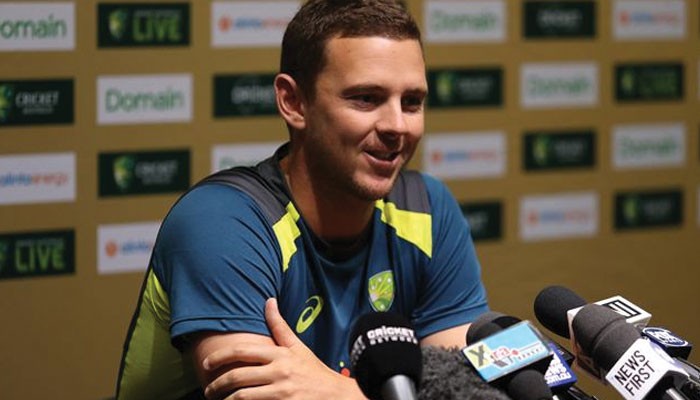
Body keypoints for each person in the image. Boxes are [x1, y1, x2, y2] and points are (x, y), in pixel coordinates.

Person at [115, 0, 489, 399]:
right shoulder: (220, 221)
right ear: (293, 102)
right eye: (366, 98)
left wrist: (338, 392)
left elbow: (466, 386)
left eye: (411, 102)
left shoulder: (427, 208)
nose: (397, 125)